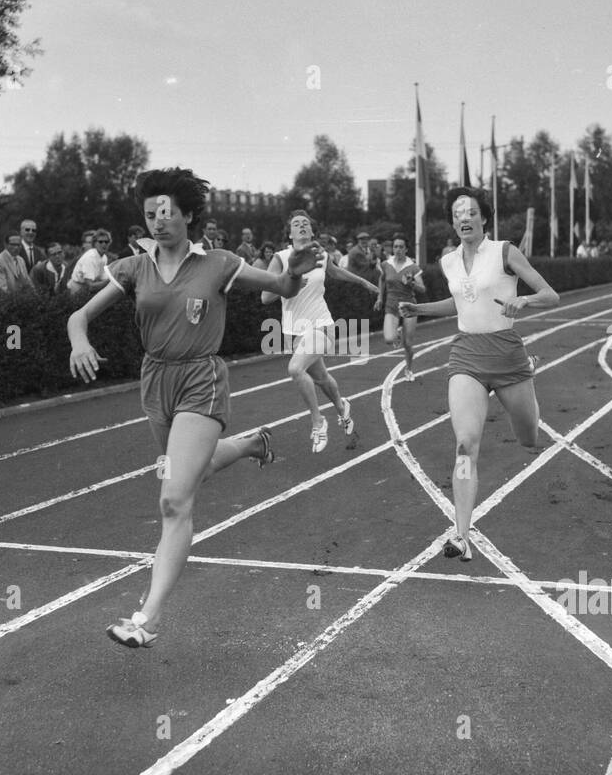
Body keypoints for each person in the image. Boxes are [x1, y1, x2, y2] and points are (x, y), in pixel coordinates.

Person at [67, 168, 322, 649]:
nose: (157, 222)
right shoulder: (132, 268)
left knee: (174, 499)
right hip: (155, 381)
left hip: (201, 380)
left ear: (187, 216)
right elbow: (78, 316)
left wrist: (294, 269)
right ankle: (251, 444)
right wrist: (79, 343)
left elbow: (284, 290)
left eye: (166, 213)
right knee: (192, 469)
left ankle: (148, 617)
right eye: (149, 215)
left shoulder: (220, 263)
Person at [399, 188, 559, 561]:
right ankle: (461, 535)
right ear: (453, 222)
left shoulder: (505, 251)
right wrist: (417, 308)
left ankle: (529, 373)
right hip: (467, 354)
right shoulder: (448, 261)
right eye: (458, 214)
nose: (465, 218)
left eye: (471, 212)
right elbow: (458, 302)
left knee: (529, 437)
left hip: (506, 352)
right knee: (464, 444)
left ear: (484, 218)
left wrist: (525, 299)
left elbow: (551, 295)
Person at [262, 209, 377, 453]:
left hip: (322, 325)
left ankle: (318, 421)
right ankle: (342, 407)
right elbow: (265, 297)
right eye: (296, 223)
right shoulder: (281, 258)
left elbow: (337, 272)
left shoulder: (321, 255)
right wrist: (290, 281)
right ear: (290, 232)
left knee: (295, 369)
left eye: (306, 223)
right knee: (321, 378)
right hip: (295, 331)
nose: (302, 225)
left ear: (312, 231)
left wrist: (364, 282)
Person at [376, 236, 426, 380]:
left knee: (408, 344)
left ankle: (409, 369)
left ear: (406, 249)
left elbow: (422, 289)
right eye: (395, 246)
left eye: (401, 247)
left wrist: (411, 283)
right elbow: (382, 279)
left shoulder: (412, 267)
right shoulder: (386, 264)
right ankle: (397, 333)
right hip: (391, 305)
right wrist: (380, 297)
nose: (397, 249)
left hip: (408, 307)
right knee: (388, 338)